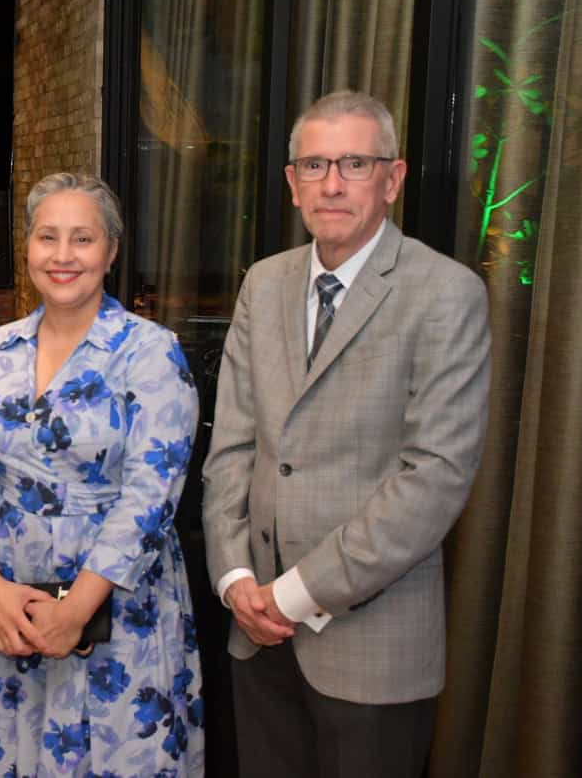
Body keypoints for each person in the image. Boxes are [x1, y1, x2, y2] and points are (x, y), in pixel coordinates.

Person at [202, 90, 492, 778]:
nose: (331, 184)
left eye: (355, 164)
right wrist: (236, 578)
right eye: (314, 165)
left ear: (393, 179)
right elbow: (232, 448)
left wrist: (292, 594)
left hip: (373, 649)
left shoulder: (445, 294)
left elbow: (434, 479)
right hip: (256, 635)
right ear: (292, 182)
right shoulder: (263, 284)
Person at [0, 172, 205, 776]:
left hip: (114, 607)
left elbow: (151, 493)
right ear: (27, 247)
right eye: (47, 237)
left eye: (82, 239)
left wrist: (76, 610)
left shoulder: (150, 351)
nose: (63, 256)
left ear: (111, 252)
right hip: (3, 605)